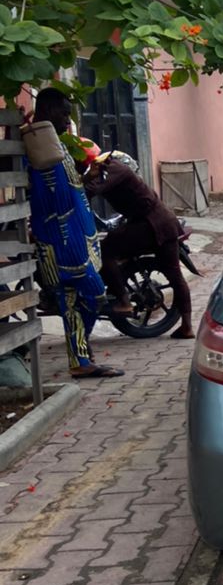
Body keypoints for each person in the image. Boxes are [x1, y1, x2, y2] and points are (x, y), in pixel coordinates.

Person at [25, 89, 121, 379]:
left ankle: (80, 359)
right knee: (94, 293)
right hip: (62, 240)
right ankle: (80, 354)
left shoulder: (55, 144)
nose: (68, 120)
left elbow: (66, 185)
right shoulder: (35, 146)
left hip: (74, 236)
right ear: (46, 110)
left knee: (70, 301)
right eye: (63, 113)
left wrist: (86, 178)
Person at [83, 153, 194, 339]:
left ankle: (124, 301)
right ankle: (187, 326)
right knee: (175, 275)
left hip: (151, 224)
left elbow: (89, 191)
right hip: (158, 223)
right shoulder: (111, 170)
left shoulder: (114, 169)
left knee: (105, 250)